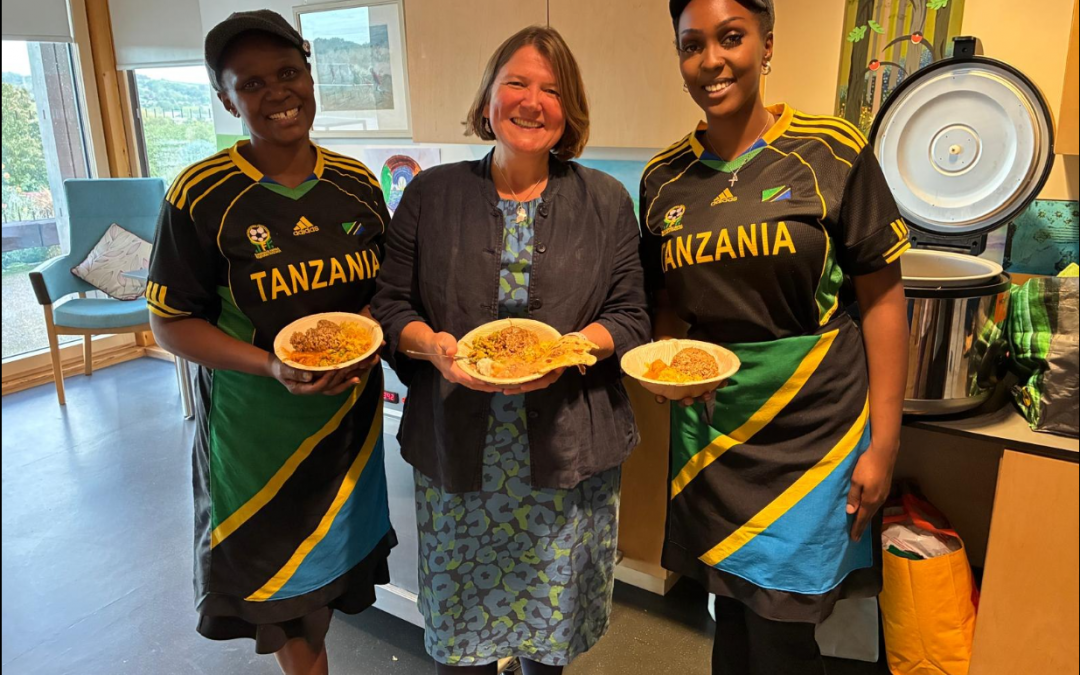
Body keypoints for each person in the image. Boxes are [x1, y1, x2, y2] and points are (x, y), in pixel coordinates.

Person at [640, 1, 910, 673]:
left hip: (814, 431)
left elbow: (881, 300)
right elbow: (668, 304)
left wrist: (885, 441)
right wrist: (667, 369)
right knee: (728, 614)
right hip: (715, 428)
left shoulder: (833, 150)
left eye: (731, 38)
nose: (711, 60)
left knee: (783, 633)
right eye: (692, 45)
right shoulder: (662, 179)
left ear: (766, 44)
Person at [372, 25, 650, 675]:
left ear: (570, 108)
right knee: (463, 635)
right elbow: (390, 306)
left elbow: (631, 313)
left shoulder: (606, 201)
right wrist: (434, 347)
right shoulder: (432, 194)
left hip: (569, 450)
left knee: (548, 639)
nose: (532, 100)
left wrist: (575, 347)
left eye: (552, 89)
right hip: (459, 449)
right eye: (516, 83)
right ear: (489, 97)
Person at [147, 10, 395, 675]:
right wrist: (270, 364)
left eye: (288, 73)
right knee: (287, 604)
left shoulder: (358, 185)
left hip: (347, 429)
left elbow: (383, 290)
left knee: (332, 585)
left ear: (310, 74)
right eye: (251, 84)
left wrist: (375, 326)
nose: (277, 93)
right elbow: (170, 320)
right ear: (227, 99)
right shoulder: (202, 194)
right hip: (257, 441)